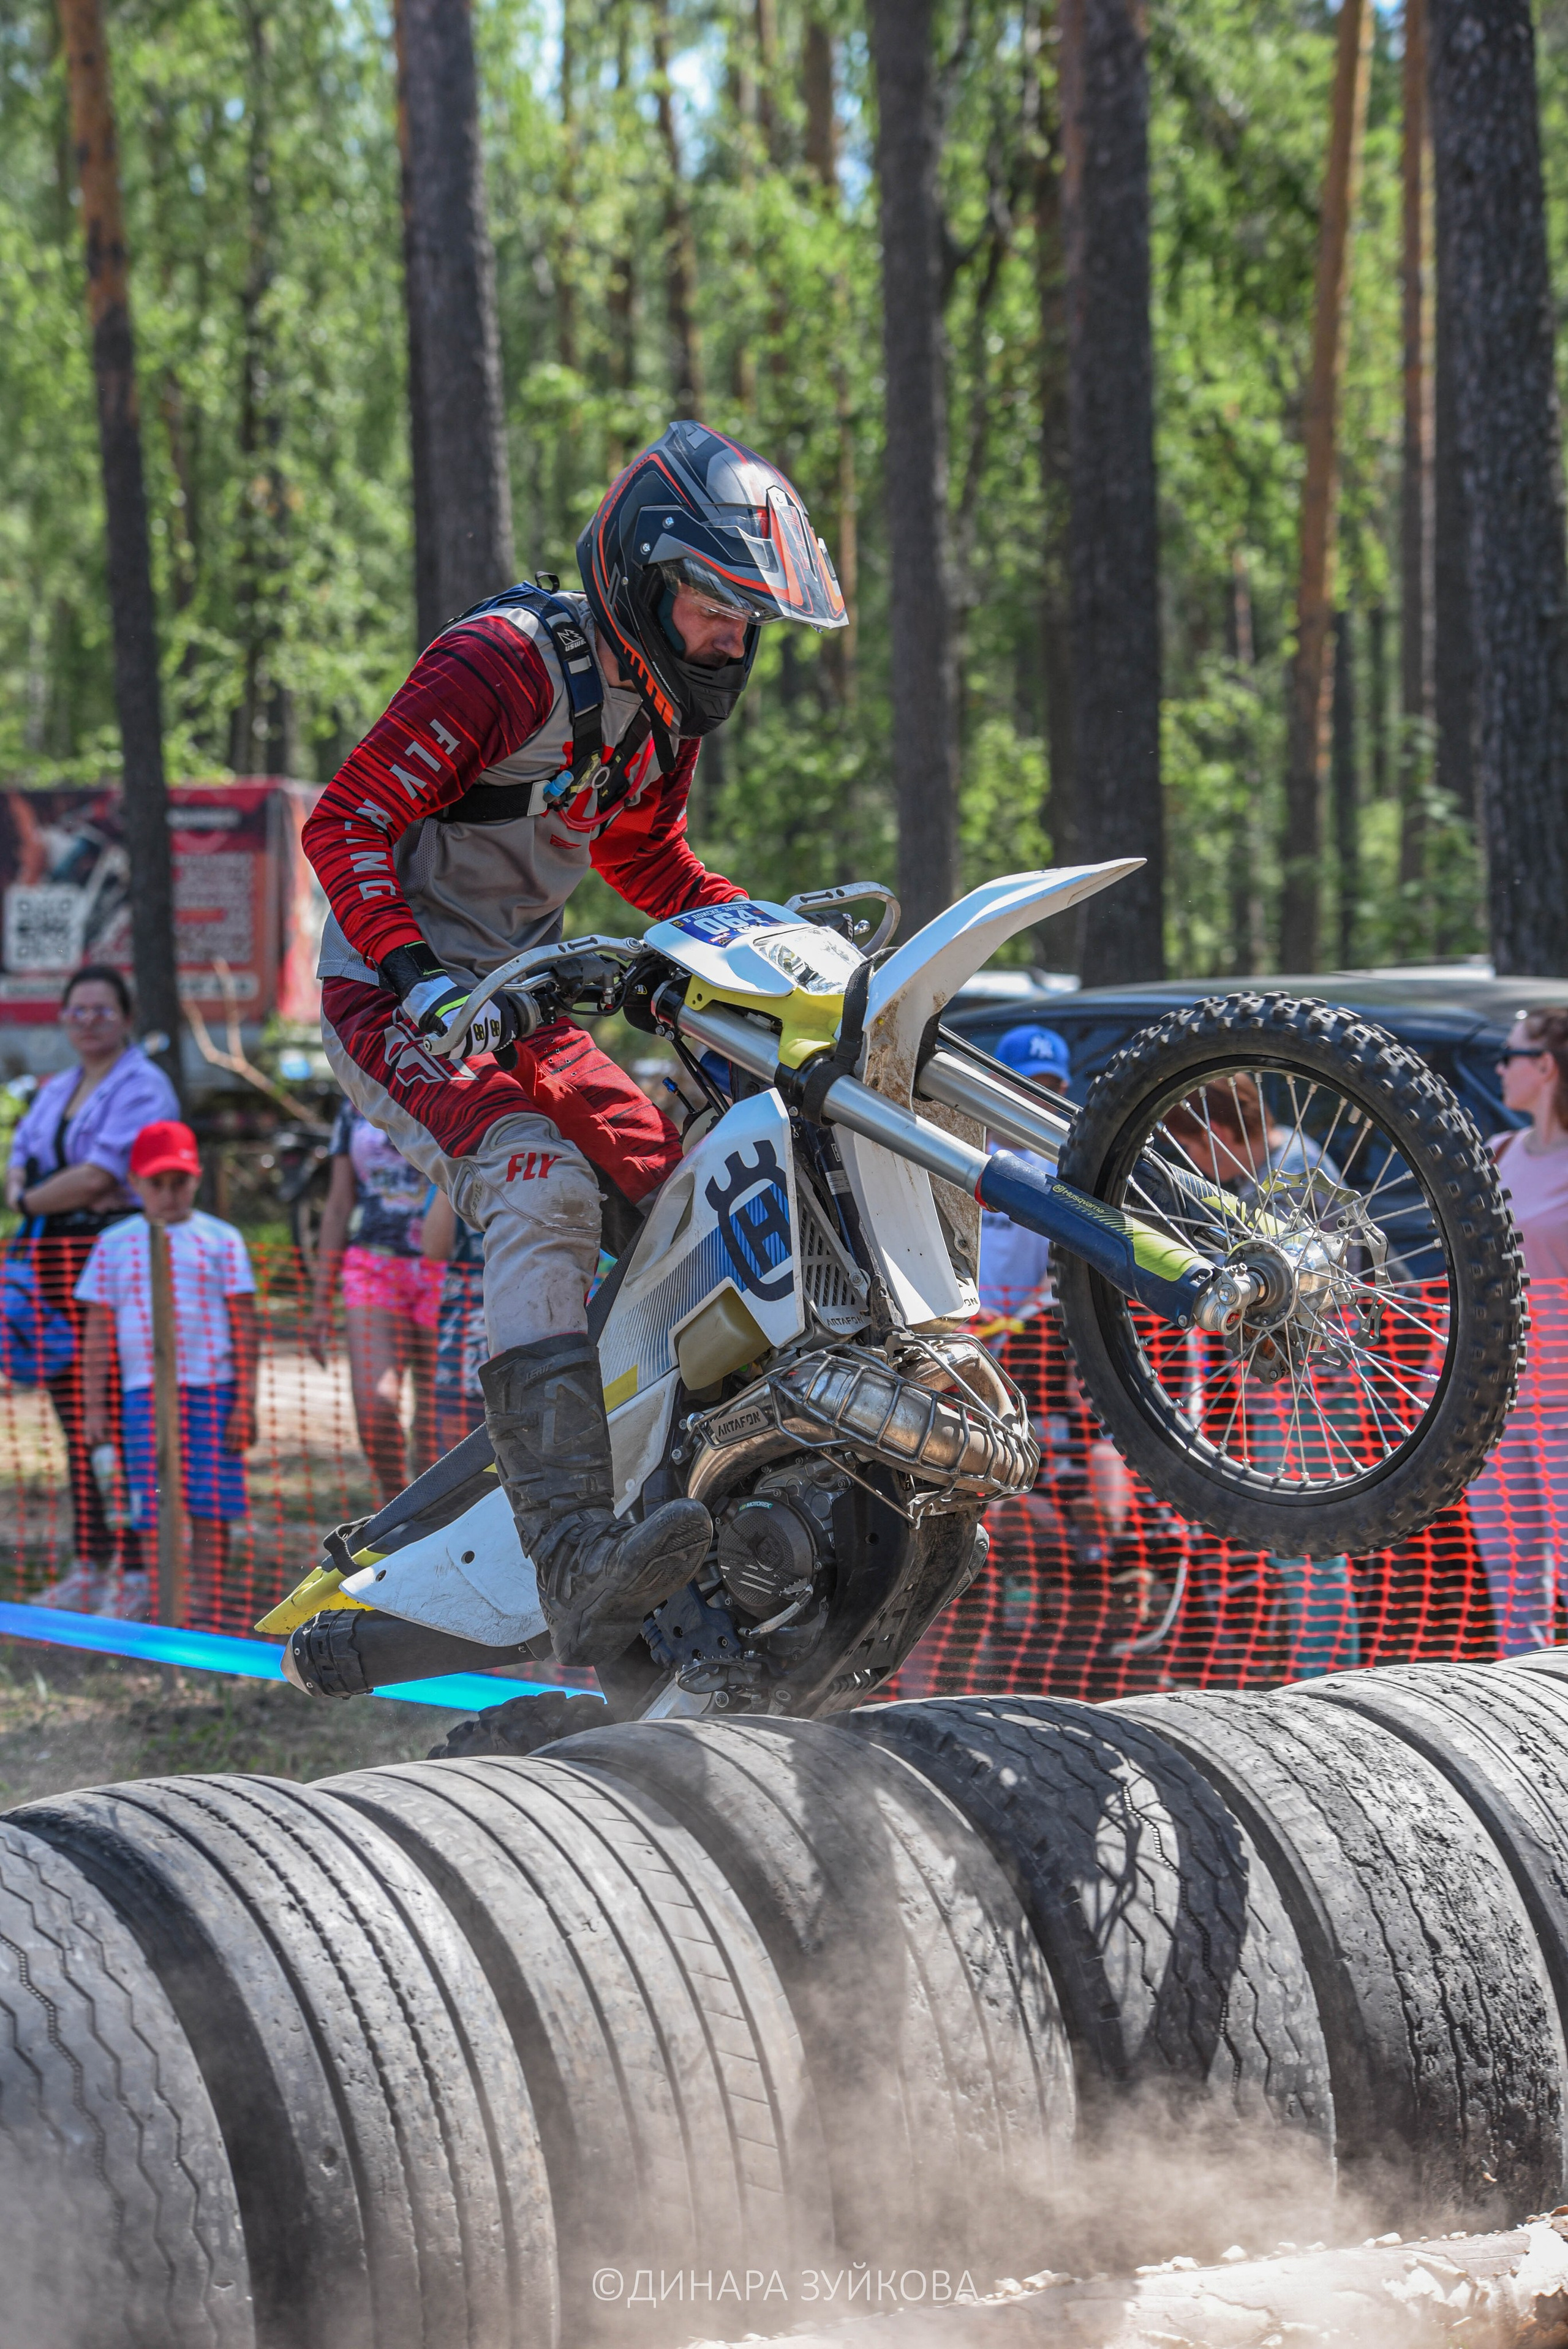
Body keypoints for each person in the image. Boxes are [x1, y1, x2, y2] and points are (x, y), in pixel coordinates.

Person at [301, 420, 846, 1668]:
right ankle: (566, 1555)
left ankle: (691, 1529)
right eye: (717, 607)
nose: (733, 638)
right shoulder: (502, 667)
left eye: (746, 617)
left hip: (522, 994)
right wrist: (415, 973)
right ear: (643, 580)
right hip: (398, 993)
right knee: (537, 1183)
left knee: (683, 1209)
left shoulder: (659, 710)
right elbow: (345, 823)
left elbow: (641, 854)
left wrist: (764, 938)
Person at [5, 964, 178, 1610]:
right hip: (51, 1268)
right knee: (72, 1412)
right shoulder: (58, 1087)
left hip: (113, 1261)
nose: (88, 1020)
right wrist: (33, 1188)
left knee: (118, 1416)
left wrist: (27, 1194)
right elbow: (21, 1155)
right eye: (77, 1010)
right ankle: (90, 1561)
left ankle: (137, 1572)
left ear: (126, 1017)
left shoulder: (145, 1086)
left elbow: (102, 1176)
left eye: (102, 1010)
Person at [75, 1120, 258, 1626]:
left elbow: (245, 1324)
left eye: (179, 1181)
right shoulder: (113, 1244)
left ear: (196, 1177)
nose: (169, 1193)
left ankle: (207, 1608)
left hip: (212, 1391)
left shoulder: (222, 1240)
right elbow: (96, 1331)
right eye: (157, 1183)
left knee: (210, 1501)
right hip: (143, 1397)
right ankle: (165, 1607)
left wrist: (245, 1401)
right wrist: (93, 1406)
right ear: (134, 1182)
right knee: (151, 1502)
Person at [1469, 1008, 1568, 1654]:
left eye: (1511, 1054)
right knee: (1513, 1573)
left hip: (1564, 1394)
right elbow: (1477, 1278)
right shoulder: (1499, 1152)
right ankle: (1531, 1718)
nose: (1500, 1067)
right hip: (1501, 1394)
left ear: (1547, 1067)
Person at [308, 1101, 443, 1507]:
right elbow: (337, 1205)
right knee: (375, 1405)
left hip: (447, 1267)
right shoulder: (353, 1102)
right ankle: (394, 1501)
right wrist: (319, 1301)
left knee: (437, 1426)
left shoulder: (453, 1079)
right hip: (373, 1264)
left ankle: (431, 1522)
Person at [976, 1024, 1072, 1321]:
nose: (1037, 1101)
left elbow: (1066, 1268)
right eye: (1026, 1085)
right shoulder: (961, 1152)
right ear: (996, 1080)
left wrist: (1020, 1322)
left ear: (1063, 1092)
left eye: (1049, 1089)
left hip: (1027, 1349)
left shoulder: (1065, 1172)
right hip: (954, 1331)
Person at [420, 1188, 487, 1456]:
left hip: (534, 1315)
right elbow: (434, 1249)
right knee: (457, 1443)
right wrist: (449, 1174)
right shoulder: (451, 1172)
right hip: (466, 1324)